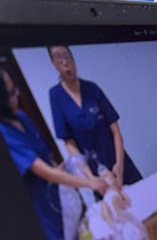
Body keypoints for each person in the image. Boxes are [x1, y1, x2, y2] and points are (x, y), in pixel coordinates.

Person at [0, 67, 107, 240]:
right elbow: (45, 172)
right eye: (11, 94)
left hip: (66, 209)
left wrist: (83, 170)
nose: (17, 96)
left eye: (15, 90)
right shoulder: (4, 132)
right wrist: (91, 184)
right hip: (47, 223)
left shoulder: (22, 117)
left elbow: (50, 164)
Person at [48, 46, 142, 187]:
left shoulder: (92, 88)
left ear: (73, 59)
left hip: (119, 161)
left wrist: (120, 165)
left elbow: (116, 132)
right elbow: (69, 143)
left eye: (67, 56)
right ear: (53, 63)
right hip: (96, 172)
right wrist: (90, 177)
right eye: (58, 57)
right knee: (114, 206)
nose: (64, 62)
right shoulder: (56, 95)